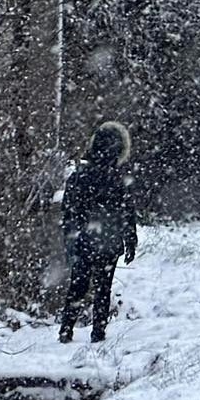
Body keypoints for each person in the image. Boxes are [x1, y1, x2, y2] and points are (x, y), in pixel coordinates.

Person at [59, 121, 137, 343]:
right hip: (109, 241)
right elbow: (128, 212)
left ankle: (66, 329)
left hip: (84, 239)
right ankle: (98, 332)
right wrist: (130, 240)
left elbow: (68, 211)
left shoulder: (80, 175)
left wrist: (69, 240)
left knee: (78, 284)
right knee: (103, 287)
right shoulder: (119, 178)